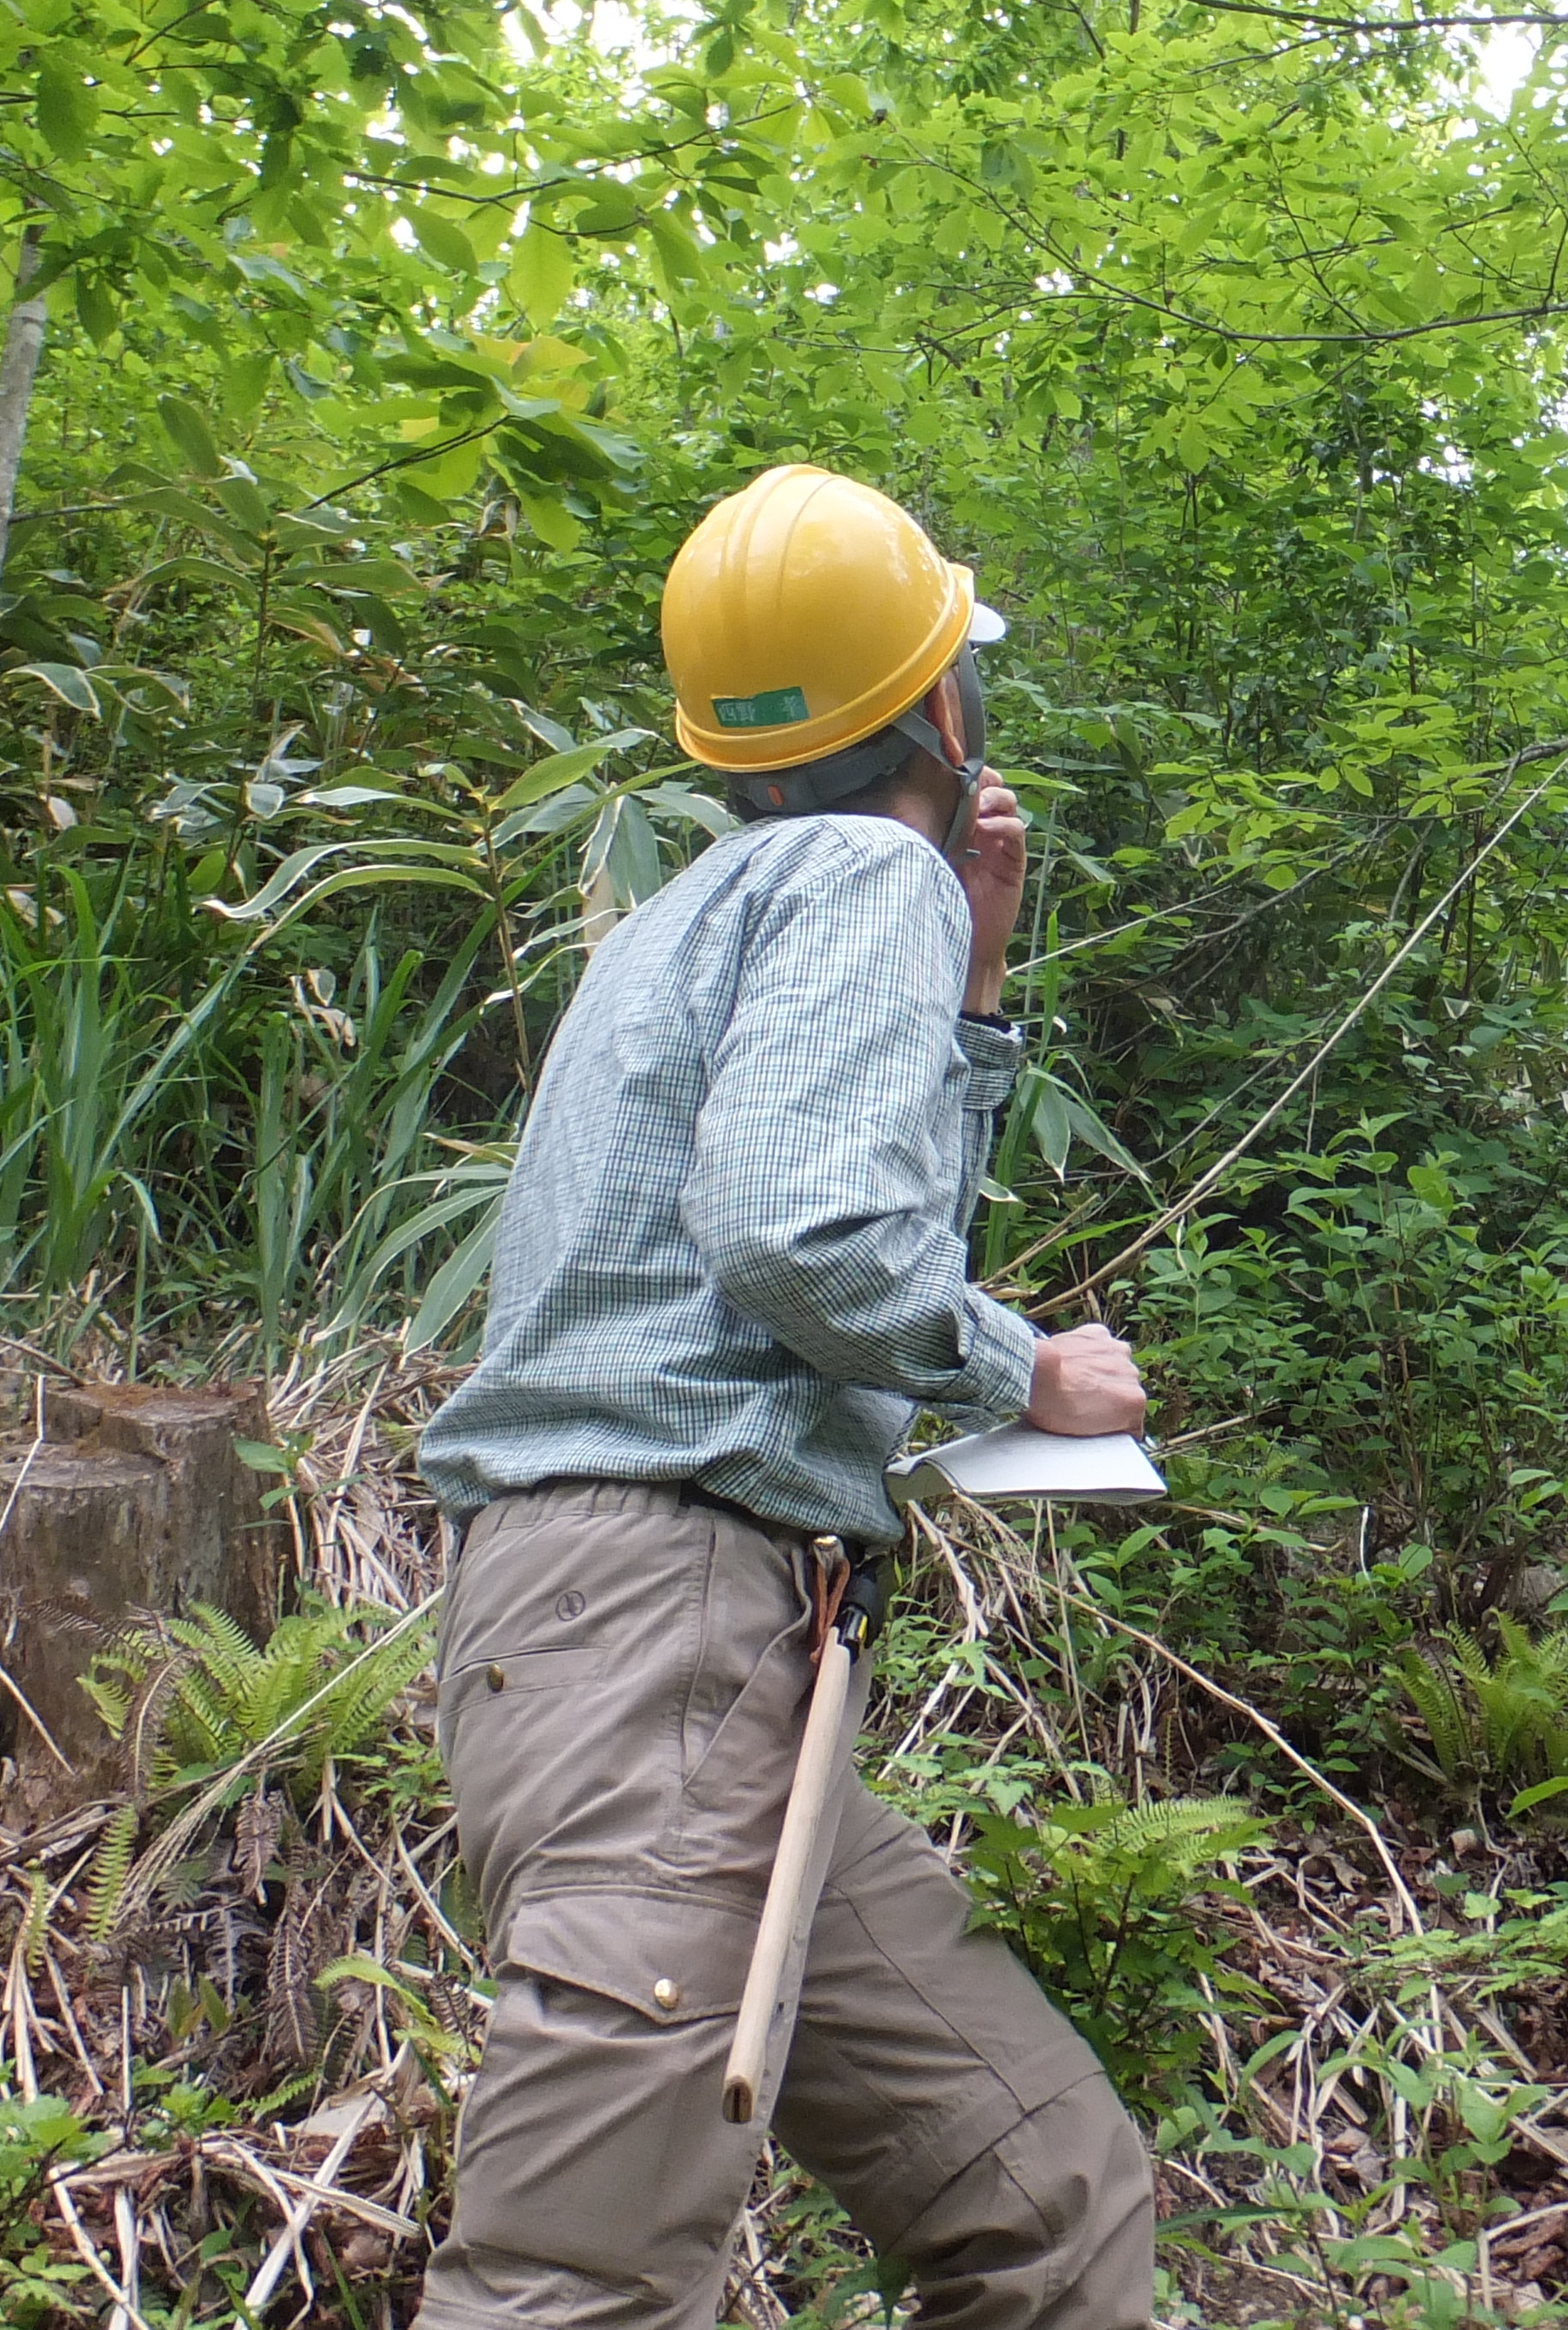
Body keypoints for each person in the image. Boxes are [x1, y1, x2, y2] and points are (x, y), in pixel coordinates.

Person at [414, 465, 1156, 2329]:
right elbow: (804, 1237)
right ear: (936, 707)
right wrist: (1024, 1367)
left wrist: (971, 998)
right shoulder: (861, 871)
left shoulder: (693, 909)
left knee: (1047, 2193)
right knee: (569, 2293)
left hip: (688, 1653)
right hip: (665, 1632)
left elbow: (824, 1191)